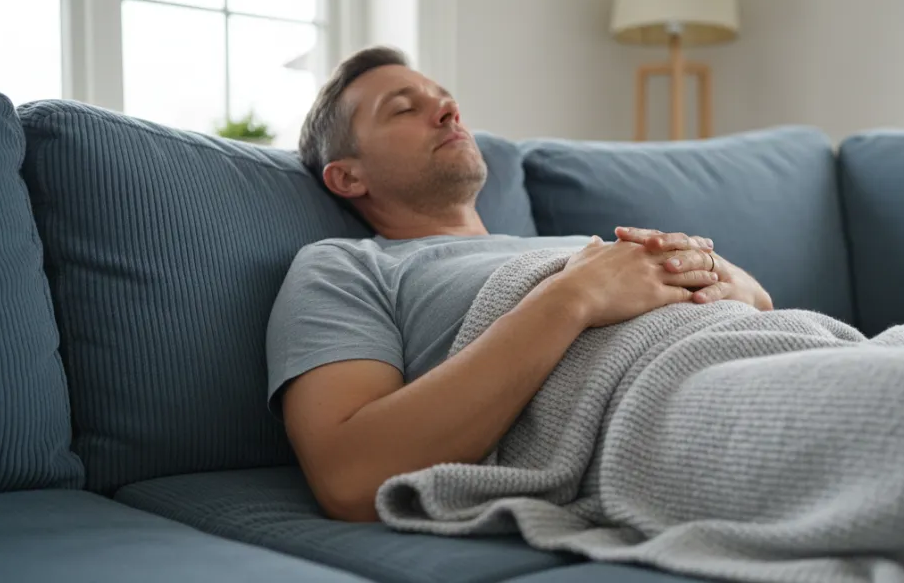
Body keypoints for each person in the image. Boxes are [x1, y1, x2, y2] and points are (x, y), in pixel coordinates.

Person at [266, 46, 774, 523]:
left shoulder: (578, 245)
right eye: (404, 109)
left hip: (773, 348)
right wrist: (572, 297)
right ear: (348, 178)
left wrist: (733, 282)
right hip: (685, 403)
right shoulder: (345, 266)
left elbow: (762, 308)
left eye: (444, 98)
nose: (448, 110)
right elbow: (349, 477)